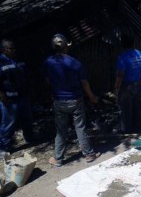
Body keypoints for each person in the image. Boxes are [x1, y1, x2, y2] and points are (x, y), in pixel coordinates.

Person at [44, 33, 100, 167]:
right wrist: (92, 96)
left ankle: (58, 159)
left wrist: (52, 93)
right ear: (66, 47)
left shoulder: (48, 62)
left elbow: (47, 81)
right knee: (80, 127)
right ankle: (89, 154)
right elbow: (84, 83)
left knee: (61, 130)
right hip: (75, 100)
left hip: (58, 101)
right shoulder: (75, 63)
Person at [0, 39, 34, 152]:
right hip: (9, 100)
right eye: (11, 48)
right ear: (3, 50)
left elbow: (26, 75)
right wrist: (2, 96)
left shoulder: (18, 59)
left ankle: (30, 138)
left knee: (27, 119)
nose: (14, 50)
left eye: (14, 48)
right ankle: (4, 148)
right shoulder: (1, 62)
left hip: (23, 96)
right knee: (8, 123)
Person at [114, 34, 141, 133]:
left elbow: (120, 75)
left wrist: (116, 88)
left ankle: (126, 130)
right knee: (136, 107)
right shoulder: (140, 54)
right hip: (137, 84)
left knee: (126, 109)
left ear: (123, 44)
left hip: (126, 86)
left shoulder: (122, 57)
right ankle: (137, 128)